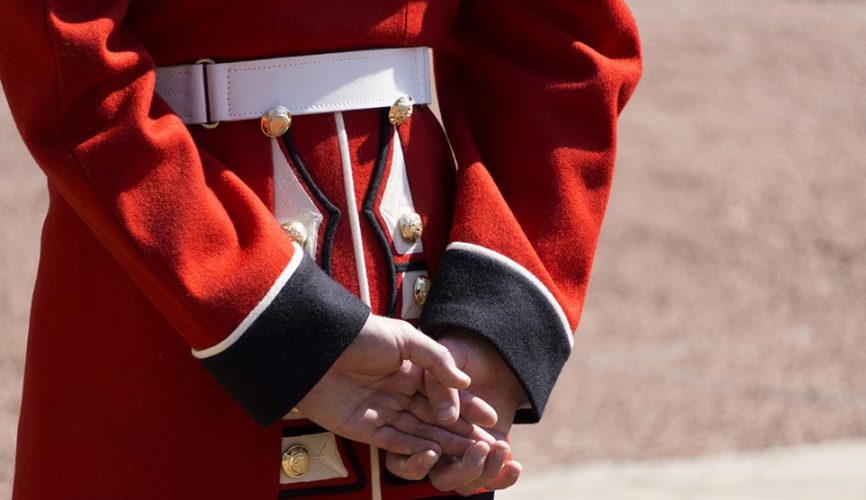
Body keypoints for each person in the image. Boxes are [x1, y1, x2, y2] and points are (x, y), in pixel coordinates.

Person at [0, 0, 642, 498]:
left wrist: (496, 322)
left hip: (421, 314)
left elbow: (561, 49)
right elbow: (69, 60)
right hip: (166, 299)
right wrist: (268, 316)